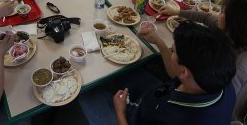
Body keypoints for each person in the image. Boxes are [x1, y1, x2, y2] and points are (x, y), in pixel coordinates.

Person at [79, 22, 236, 125]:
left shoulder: (172, 117)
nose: (170, 52)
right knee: (125, 70)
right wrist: (160, 42)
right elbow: (176, 74)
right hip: (157, 98)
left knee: (86, 93)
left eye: (172, 51)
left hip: (141, 117)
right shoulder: (221, 81)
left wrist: (120, 111)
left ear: (184, 72)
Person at [160, 0, 247, 121]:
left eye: (222, 12)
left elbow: (194, 85)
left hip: (216, 113)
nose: (218, 15)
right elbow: (206, 17)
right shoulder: (236, 35)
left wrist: (162, 46)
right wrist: (177, 12)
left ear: (233, 23)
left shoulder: (239, 65)